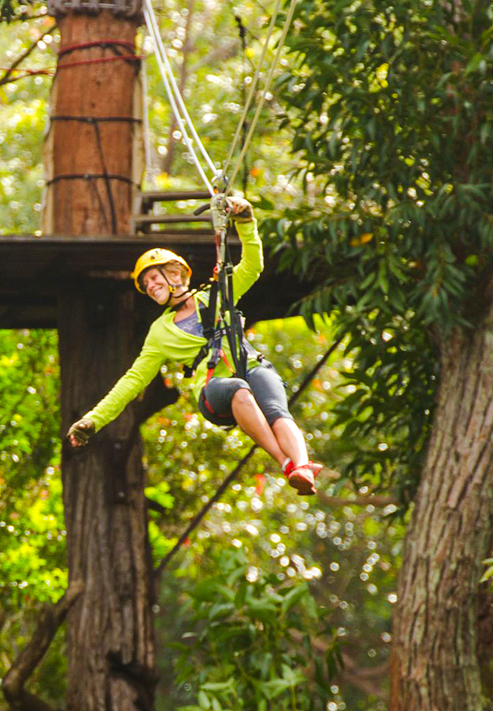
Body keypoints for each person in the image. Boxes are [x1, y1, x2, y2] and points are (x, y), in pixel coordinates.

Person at [65, 200, 324, 495]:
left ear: (175, 274)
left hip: (251, 364)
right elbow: (132, 381)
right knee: (238, 388)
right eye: (145, 284)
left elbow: (253, 266)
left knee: (276, 409)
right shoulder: (160, 333)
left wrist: (246, 221)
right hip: (215, 388)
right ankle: (286, 463)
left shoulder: (216, 295)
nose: (150, 286)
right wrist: (93, 420)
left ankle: (302, 466)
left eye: (153, 278)